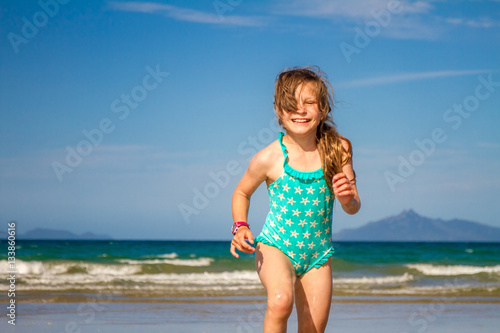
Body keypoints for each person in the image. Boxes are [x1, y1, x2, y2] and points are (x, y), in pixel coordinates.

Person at [230, 66, 360, 333]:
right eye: (291, 105)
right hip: (276, 246)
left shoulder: (338, 149)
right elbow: (241, 192)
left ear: (323, 109)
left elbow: (354, 206)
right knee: (280, 302)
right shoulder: (269, 157)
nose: (299, 111)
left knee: (313, 328)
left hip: (318, 255)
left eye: (309, 103)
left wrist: (347, 198)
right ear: (279, 111)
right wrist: (240, 225)